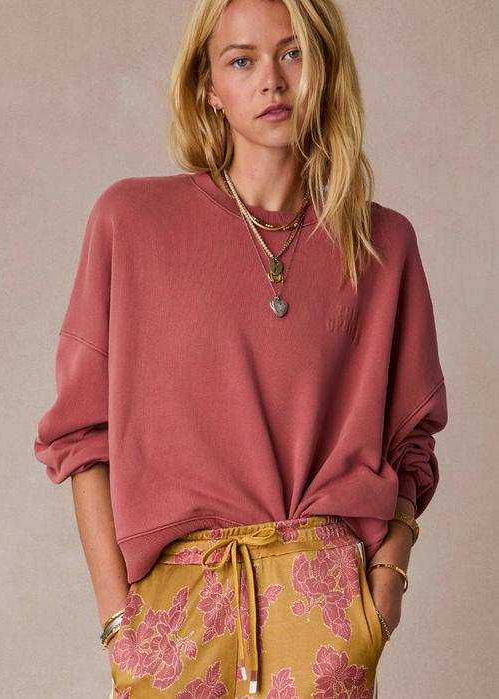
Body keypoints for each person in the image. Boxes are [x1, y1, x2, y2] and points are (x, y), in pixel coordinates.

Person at [33, 0, 448, 697]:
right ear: (209, 87)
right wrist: (117, 622)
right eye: (242, 60)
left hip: (322, 604)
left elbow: (411, 444)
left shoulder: (382, 244)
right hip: (175, 608)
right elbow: (81, 436)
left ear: (325, 68)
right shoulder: (130, 221)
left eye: (293, 53)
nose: (272, 81)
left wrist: (383, 591)